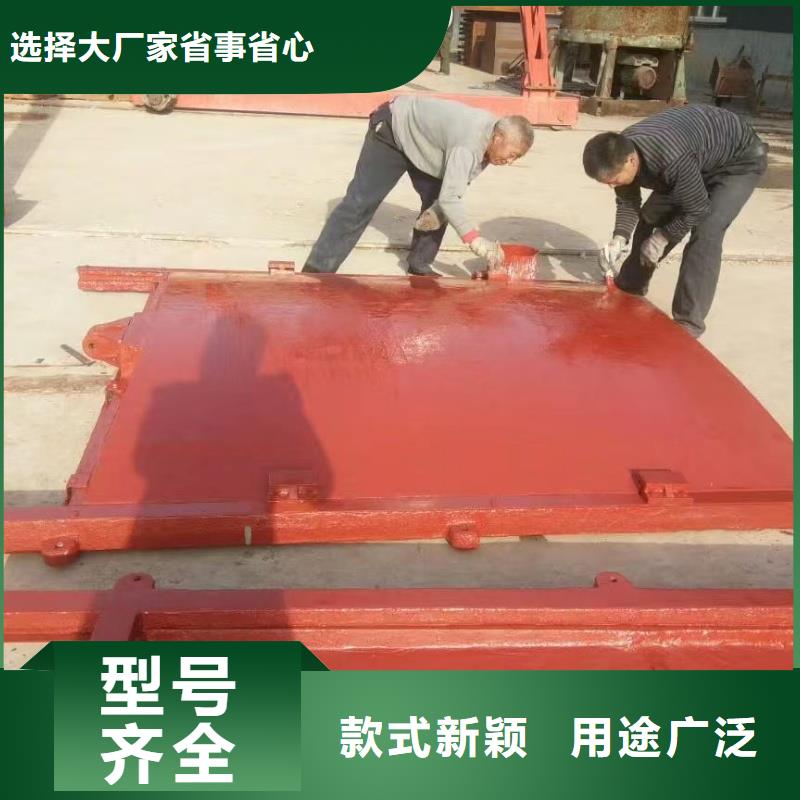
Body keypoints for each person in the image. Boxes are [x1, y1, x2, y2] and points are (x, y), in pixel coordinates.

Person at [583, 104, 768, 337]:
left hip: (738, 163)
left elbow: (697, 209)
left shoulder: (670, 159)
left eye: (614, 180)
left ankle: (689, 322)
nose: (612, 185)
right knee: (651, 215)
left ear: (631, 161)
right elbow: (629, 202)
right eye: (606, 182)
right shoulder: (619, 152)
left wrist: (663, 237)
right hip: (696, 157)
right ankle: (631, 284)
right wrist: (619, 238)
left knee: (707, 230)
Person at [303, 95, 535, 276]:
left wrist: (439, 208)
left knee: (439, 205)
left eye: (517, 157)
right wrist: (475, 240)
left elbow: (457, 186)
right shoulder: (470, 143)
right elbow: (451, 198)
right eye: (512, 154)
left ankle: (419, 265)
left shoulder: (491, 141)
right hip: (393, 130)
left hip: (426, 145)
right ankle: (317, 271)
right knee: (360, 202)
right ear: (498, 138)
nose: (510, 161)